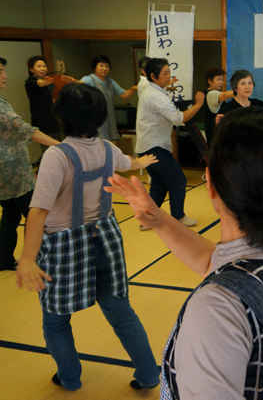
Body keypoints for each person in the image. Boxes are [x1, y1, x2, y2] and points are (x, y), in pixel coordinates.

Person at [106, 107, 263, 399]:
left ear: (211, 184)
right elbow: (215, 263)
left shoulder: (217, 309)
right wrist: (159, 219)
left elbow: (229, 279)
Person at [15, 82, 160, 392]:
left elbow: (38, 211)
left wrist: (27, 259)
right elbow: (128, 163)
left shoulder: (57, 156)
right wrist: (141, 162)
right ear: (100, 117)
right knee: (121, 312)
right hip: (106, 238)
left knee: (56, 320)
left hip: (64, 245)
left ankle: (69, 378)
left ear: (60, 116)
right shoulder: (108, 148)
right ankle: (149, 375)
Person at [0, 57, 59, 272]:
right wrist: (62, 146)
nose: (5, 75)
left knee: (11, 213)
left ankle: (3, 259)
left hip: (6, 168)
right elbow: (24, 129)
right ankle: (43, 261)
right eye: (0, 71)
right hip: (11, 168)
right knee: (36, 215)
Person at [135, 58, 204, 231]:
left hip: (147, 145)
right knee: (178, 179)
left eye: (169, 72)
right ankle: (178, 217)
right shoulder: (156, 95)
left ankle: (147, 220)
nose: (169, 76)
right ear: (153, 76)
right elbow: (177, 118)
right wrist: (198, 104)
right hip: (154, 146)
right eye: (165, 73)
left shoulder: (152, 89)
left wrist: (167, 86)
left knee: (159, 184)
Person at [62, 56, 137, 141]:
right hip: (95, 118)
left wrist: (133, 88)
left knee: (108, 142)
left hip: (108, 118)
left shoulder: (110, 81)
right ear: (94, 67)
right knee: (96, 140)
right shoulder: (89, 79)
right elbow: (80, 84)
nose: (104, 68)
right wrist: (73, 81)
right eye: (101, 65)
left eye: (107, 66)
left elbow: (124, 95)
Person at [24, 56, 61, 155]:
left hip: (52, 120)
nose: (42, 68)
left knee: (58, 150)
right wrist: (45, 82)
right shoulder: (30, 82)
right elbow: (39, 83)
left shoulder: (46, 83)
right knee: (48, 152)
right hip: (42, 122)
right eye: (39, 66)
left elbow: (50, 100)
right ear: (31, 69)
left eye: (44, 66)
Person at [201, 67, 230, 144]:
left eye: (222, 79)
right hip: (215, 139)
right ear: (209, 81)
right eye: (218, 79)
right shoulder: (211, 94)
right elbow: (225, 95)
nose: (221, 82)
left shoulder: (214, 93)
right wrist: (240, 92)